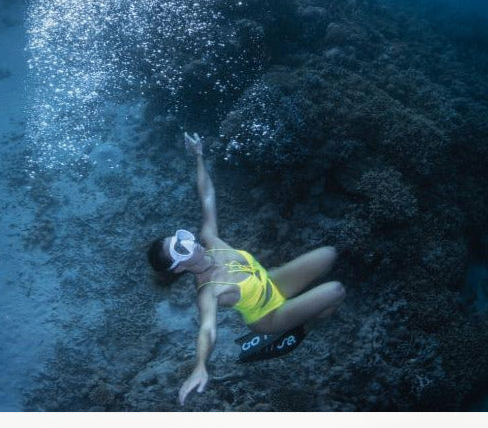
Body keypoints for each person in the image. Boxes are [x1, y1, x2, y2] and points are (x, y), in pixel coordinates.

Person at [147, 132, 346, 406]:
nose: (189, 242)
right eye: (180, 249)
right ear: (178, 268)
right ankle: (303, 327)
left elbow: (207, 195)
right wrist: (200, 365)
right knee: (335, 292)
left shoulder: (211, 240)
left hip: (272, 281)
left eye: (181, 237)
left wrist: (198, 155)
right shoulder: (209, 291)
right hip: (270, 315)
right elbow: (207, 329)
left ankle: (306, 308)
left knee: (329, 254)